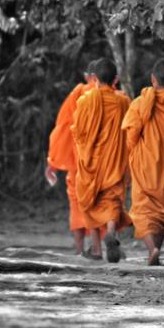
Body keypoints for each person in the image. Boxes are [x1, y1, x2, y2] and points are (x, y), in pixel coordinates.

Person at [122, 59, 164, 265]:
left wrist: (133, 153)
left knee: (143, 211)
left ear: (153, 79)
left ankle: (152, 249)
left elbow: (131, 135)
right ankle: (156, 251)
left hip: (145, 165)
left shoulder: (139, 104)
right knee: (161, 212)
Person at [71, 58, 132, 262]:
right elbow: (129, 131)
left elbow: (78, 132)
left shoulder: (85, 101)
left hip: (92, 162)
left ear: (94, 78)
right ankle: (112, 229)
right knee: (112, 200)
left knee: (90, 201)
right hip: (114, 161)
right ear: (115, 79)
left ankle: (96, 248)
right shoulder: (123, 101)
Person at [45, 63, 95, 255]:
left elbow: (63, 127)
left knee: (76, 203)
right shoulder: (116, 97)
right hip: (104, 162)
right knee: (103, 201)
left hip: (78, 160)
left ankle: (80, 248)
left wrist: (53, 162)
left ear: (87, 76)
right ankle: (99, 246)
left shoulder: (79, 93)